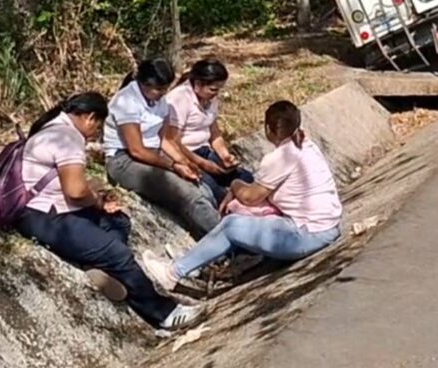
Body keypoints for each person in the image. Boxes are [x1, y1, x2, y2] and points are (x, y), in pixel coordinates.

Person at [15, 92, 200, 331]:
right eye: (98, 127)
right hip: (46, 217)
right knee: (118, 254)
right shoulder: (68, 138)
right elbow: (76, 191)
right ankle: (164, 313)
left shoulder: (51, 128)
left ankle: (99, 264)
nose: (96, 133)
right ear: (90, 117)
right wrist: (98, 202)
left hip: (49, 208)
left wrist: (98, 199)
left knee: (118, 221)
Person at [142, 100, 342, 291]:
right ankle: (198, 261)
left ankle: (173, 273)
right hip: (326, 227)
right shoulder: (306, 144)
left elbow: (249, 197)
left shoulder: (280, 157)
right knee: (243, 220)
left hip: (307, 234)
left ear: (268, 129)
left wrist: (234, 185)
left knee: (231, 226)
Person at [104, 59, 222, 239]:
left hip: (154, 154)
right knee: (188, 194)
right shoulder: (126, 102)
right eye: (158, 89)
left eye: (165, 89)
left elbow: (163, 139)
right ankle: (226, 237)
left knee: (204, 190)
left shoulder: (160, 101)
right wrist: (173, 166)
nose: (163, 94)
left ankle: (213, 234)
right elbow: (136, 150)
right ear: (144, 84)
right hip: (125, 160)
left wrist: (184, 162)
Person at [163, 59, 254, 204]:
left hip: (205, 151)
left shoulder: (210, 99)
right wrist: (202, 163)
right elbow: (173, 141)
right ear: (198, 84)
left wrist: (224, 155)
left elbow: (214, 131)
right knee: (215, 192)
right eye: (212, 89)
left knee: (246, 179)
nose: (216, 94)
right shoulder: (179, 99)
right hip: (186, 155)